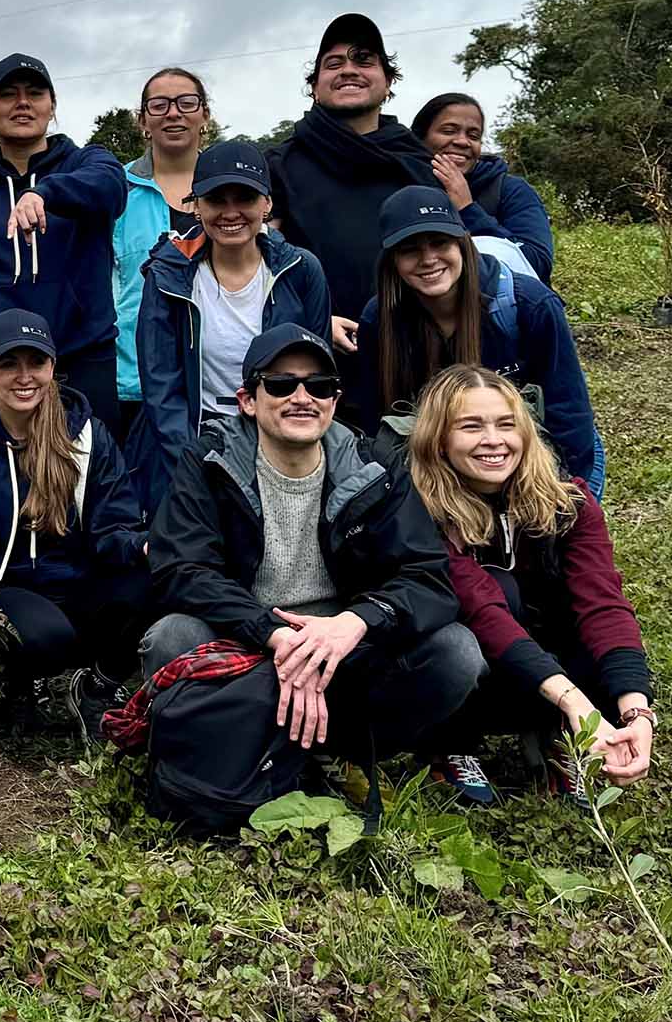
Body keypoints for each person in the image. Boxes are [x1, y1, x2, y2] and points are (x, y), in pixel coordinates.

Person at [145, 324, 482, 783]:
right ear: (248, 400)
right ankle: (239, 749)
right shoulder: (209, 463)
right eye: (281, 384)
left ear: (334, 401)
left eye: (319, 386)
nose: (302, 396)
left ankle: (339, 750)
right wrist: (273, 634)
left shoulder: (375, 468)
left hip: (342, 651)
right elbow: (181, 569)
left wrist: (355, 622)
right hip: (245, 645)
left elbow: (426, 577)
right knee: (172, 637)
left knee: (457, 652)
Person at [404, 368, 654, 810]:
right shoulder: (421, 513)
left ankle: (564, 738)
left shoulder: (570, 503)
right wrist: (577, 702)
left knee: (587, 617)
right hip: (475, 678)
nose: (494, 440)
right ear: (438, 440)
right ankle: (450, 745)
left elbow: (604, 603)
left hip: (546, 664)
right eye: (470, 426)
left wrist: (636, 710)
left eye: (506, 424)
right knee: (491, 603)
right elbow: (483, 612)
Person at [0, 311, 150, 740]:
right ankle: (16, 687)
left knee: (156, 577)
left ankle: (96, 687)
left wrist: (142, 547)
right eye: (9, 364)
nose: (24, 377)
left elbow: (113, 525)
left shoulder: (86, 434)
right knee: (47, 636)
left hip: (77, 580)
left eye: (37, 363)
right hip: (3, 588)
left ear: (53, 366)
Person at [350, 187, 604, 497]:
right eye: (410, 249)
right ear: (392, 260)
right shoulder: (380, 319)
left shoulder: (528, 304)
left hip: (541, 459)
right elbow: (376, 416)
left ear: (462, 244)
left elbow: (568, 408)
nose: (428, 259)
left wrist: (566, 491)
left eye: (440, 243)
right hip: (443, 470)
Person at [129, 140, 331, 503]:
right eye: (217, 200)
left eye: (246, 198)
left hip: (281, 441)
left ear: (267, 204)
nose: (231, 212)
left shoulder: (301, 271)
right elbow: (160, 386)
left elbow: (318, 375)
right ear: (196, 206)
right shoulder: (167, 275)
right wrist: (193, 465)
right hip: (196, 439)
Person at [0, 54, 126, 421]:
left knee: (91, 473)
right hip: (0, 364)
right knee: (2, 475)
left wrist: (45, 193)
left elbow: (111, 187)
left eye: (35, 93)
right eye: (7, 94)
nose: (22, 103)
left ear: (52, 106)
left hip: (84, 357)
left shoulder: (89, 163)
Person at [265, 13, 436, 349]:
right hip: (314, 358)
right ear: (314, 87)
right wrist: (312, 319)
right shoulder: (279, 165)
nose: (348, 69)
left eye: (364, 60)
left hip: (417, 349)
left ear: (387, 84)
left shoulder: (420, 164)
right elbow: (257, 263)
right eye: (333, 63)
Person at [111, 67, 210, 444]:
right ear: (142, 121)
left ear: (205, 116)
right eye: (159, 105)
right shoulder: (118, 188)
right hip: (133, 377)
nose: (173, 113)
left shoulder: (230, 190)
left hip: (217, 376)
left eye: (187, 102)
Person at [411, 92, 556, 285]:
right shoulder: (403, 188)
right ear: (420, 138)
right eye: (448, 131)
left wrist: (467, 209)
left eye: (473, 135)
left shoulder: (510, 190)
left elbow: (536, 263)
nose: (463, 142)